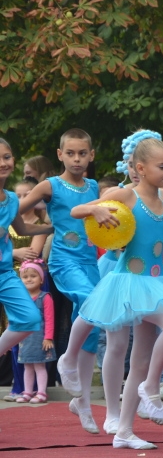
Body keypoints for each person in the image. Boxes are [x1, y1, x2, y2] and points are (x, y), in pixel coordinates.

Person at [72, 131, 163, 450]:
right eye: (162, 166)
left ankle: (124, 431)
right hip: (128, 281)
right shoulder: (126, 194)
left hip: (155, 281)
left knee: (139, 358)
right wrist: (96, 210)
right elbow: (76, 212)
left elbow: (161, 243)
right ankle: (151, 385)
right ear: (139, 168)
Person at [18, 129, 102, 434]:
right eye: (71, 153)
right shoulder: (50, 186)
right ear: (60, 154)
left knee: (93, 319)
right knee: (90, 299)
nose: (77, 159)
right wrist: (35, 232)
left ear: (91, 155)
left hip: (90, 262)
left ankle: (83, 404)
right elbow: (15, 213)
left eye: (82, 153)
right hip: (64, 261)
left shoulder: (94, 186)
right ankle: (67, 360)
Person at [0, 138, 54, 415]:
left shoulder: (10, 199)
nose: (3, 163)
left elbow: (20, 227)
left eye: (7, 157)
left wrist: (54, 224)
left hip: (5, 273)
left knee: (30, 319)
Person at [15, 260, 55, 404]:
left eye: (33, 276)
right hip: (24, 339)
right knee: (27, 366)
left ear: (41, 279)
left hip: (40, 338)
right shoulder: (21, 299)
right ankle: (27, 391)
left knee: (39, 365)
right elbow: (15, 319)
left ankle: (42, 392)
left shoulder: (45, 297)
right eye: (25, 277)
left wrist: (48, 337)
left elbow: (50, 319)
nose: (29, 279)